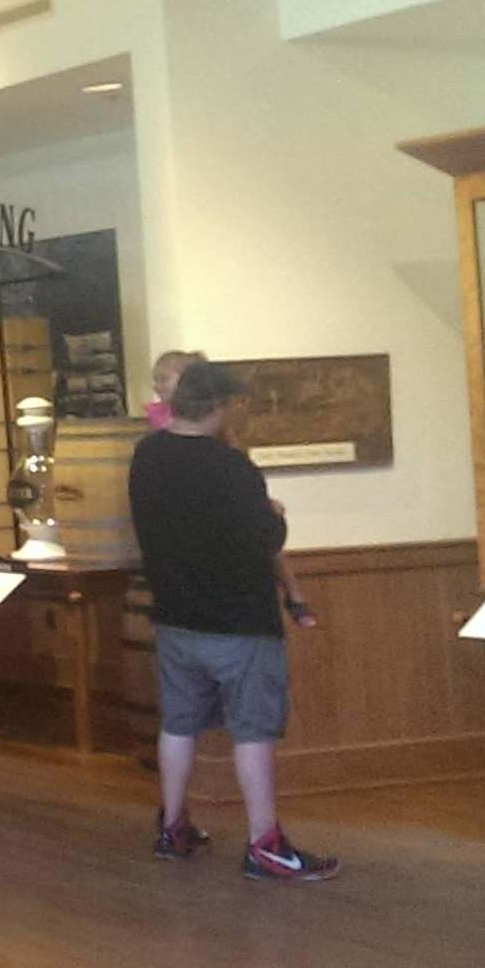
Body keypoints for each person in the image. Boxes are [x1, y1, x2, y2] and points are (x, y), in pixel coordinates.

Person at [132, 359, 338, 881]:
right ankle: (265, 844)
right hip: (239, 622)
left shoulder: (147, 455)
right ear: (219, 407)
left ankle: (172, 827)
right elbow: (265, 539)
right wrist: (275, 515)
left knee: (179, 725)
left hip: (174, 618)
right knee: (253, 732)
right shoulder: (232, 468)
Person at [149, 349, 317, 629]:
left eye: (164, 379)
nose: (157, 386)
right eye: (155, 380)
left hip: (197, 601)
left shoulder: (210, 445)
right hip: (211, 595)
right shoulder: (159, 429)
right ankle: (294, 593)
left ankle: (294, 590)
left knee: (265, 532)